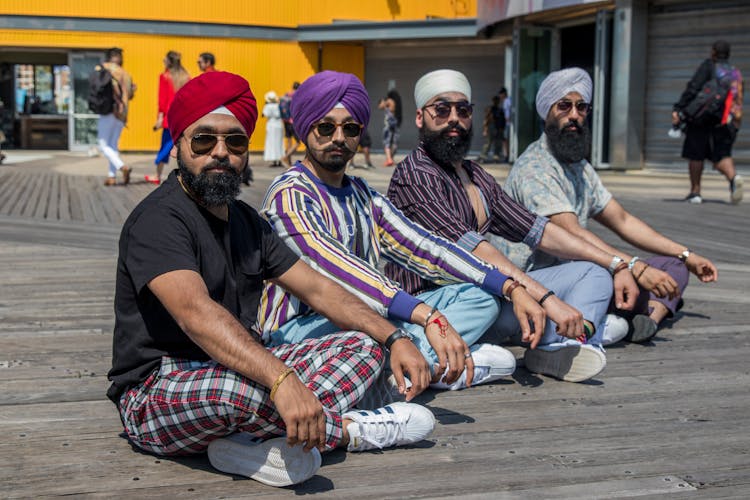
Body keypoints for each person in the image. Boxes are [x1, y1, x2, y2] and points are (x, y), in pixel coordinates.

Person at [107, 71, 435, 488]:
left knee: (363, 345)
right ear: (180, 146)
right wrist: (282, 380)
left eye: (235, 141)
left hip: (240, 368)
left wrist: (395, 338)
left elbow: (318, 289)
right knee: (234, 391)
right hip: (157, 391)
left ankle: (250, 444)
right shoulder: (159, 219)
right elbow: (195, 314)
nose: (220, 153)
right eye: (204, 140)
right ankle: (349, 429)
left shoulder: (247, 221)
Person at [260, 70, 547, 397]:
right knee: (373, 333)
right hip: (301, 331)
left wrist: (511, 286)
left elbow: (427, 248)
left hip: (370, 313)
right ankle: (426, 364)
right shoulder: (290, 196)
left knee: (482, 298)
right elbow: (341, 274)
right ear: (305, 128)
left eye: (350, 128)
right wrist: (428, 316)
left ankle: (419, 366)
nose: (339, 137)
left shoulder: (362, 194)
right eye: (326, 127)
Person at [387, 69, 638, 383]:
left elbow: (539, 230)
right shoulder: (415, 174)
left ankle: (566, 342)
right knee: (488, 301)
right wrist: (544, 299)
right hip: (436, 304)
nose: (454, 118)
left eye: (463, 110)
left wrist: (620, 263)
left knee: (592, 271)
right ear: (421, 118)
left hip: (489, 291)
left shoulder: (475, 175)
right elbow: (475, 252)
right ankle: (456, 356)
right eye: (442, 109)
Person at [501, 67, 719, 343]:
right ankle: (616, 322)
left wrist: (688, 255)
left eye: (582, 107)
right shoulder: (535, 168)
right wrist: (630, 266)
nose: (574, 116)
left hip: (584, 269)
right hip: (539, 281)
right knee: (603, 275)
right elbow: (571, 233)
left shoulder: (579, 166)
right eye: (564, 106)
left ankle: (647, 319)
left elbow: (622, 220)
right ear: (547, 112)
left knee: (672, 267)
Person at [672, 40, 743, 204]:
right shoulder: (735, 73)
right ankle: (734, 178)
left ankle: (695, 192)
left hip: (701, 119)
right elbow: (737, 99)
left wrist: (679, 108)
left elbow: (693, 88)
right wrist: (737, 121)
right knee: (722, 155)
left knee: (696, 154)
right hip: (725, 121)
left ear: (713, 52)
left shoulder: (708, 66)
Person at [148, 51, 190, 185]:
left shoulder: (165, 76)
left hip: (169, 119)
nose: (163, 61)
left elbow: (162, 100)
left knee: (165, 147)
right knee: (184, 147)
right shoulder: (186, 76)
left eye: (164, 60)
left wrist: (160, 118)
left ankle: (157, 175)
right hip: (183, 117)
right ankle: (187, 174)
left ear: (169, 62)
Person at [98, 47, 135, 186]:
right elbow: (130, 95)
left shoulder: (106, 69)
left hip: (109, 110)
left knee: (103, 145)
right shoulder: (126, 74)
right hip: (122, 113)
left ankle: (122, 167)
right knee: (113, 145)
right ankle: (111, 176)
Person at [477, 95, 504, 163]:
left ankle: (496, 157)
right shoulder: (490, 109)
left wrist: (501, 129)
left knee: (497, 144)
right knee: (488, 143)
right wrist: (485, 130)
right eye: (495, 100)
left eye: (497, 100)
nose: (496, 102)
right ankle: (482, 157)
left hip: (498, 129)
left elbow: (503, 121)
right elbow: (486, 120)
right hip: (491, 127)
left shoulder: (500, 110)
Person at [378, 89, 402, 166]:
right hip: (395, 124)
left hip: (389, 125)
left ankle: (389, 160)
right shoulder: (398, 103)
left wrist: (382, 102)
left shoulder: (389, 101)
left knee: (386, 143)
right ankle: (391, 159)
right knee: (394, 143)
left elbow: (381, 106)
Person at [280, 82, 301, 166]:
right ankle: (285, 157)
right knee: (298, 142)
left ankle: (289, 163)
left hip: (285, 121)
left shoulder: (286, 95)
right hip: (292, 121)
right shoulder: (297, 96)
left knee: (289, 142)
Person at [262, 90, 284, 167]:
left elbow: (264, 114)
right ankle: (280, 160)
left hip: (271, 124)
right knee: (279, 142)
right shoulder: (279, 105)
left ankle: (274, 160)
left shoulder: (267, 106)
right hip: (278, 124)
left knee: (272, 142)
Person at [500, 87, 511, 162]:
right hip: (506, 123)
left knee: (505, 140)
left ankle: (507, 156)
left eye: (501, 94)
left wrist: (506, 120)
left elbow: (508, 112)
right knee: (505, 140)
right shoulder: (506, 101)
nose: (500, 96)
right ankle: (506, 155)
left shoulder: (507, 101)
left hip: (507, 123)